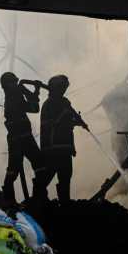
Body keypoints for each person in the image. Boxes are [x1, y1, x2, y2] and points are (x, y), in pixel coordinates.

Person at [39, 74, 88, 202]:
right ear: (56, 88)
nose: (64, 90)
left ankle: (65, 203)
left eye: (65, 87)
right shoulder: (49, 105)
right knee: (47, 176)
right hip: (52, 149)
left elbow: (68, 120)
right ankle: (38, 201)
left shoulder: (63, 103)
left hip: (65, 148)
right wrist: (65, 114)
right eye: (62, 87)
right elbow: (51, 124)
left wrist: (79, 122)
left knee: (66, 176)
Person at [0, 72, 47, 205]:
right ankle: (11, 199)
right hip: (20, 139)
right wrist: (32, 91)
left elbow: (34, 107)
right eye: (13, 82)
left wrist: (33, 91)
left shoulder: (14, 96)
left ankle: (36, 197)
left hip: (21, 138)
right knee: (20, 168)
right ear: (8, 85)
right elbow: (34, 107)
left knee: (30, 166)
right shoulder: (13, 98)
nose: (16, 84)